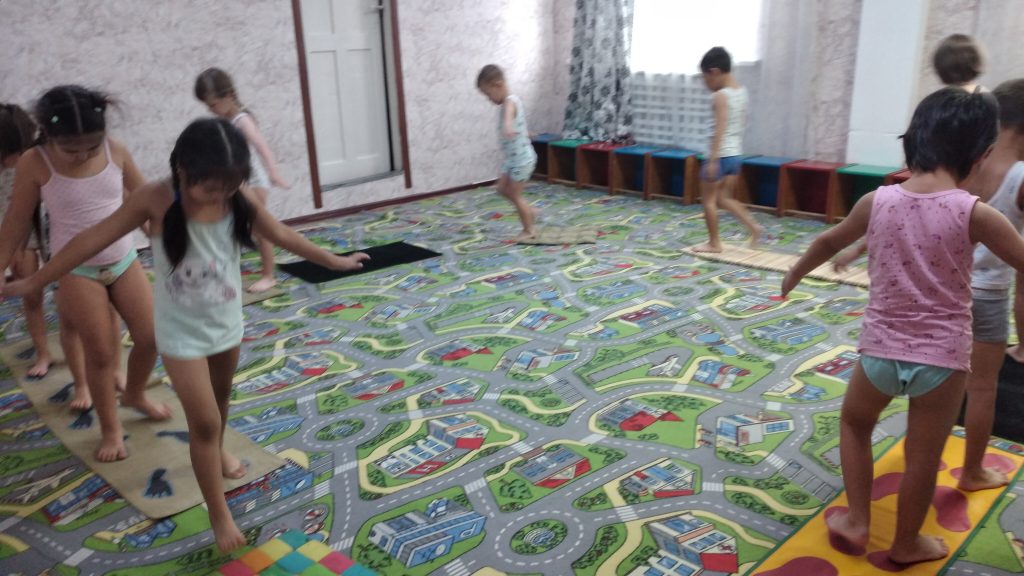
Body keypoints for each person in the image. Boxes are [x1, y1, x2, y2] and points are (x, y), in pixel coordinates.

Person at [6, 118, 369, 552]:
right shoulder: (155, 198)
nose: (220, 196)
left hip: (226, 324)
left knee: (220, 402)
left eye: (229, 187)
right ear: (183, 171)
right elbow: (90, 240)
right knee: (204, 421)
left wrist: (333, 260)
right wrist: (37, 279)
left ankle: (216, 451)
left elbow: (280, 233)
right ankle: (219, 512)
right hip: (181, 336)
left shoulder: (235, 197)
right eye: (211, 188)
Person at [782, 88, 1024, 565]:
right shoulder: (975, 212)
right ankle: (907, 543)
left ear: (911, 140)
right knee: (922, 455)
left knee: (855, 425)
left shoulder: (877, 201)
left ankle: (857, 520)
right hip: (942, 360)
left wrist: (795, 273)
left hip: (879, 352)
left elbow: (830, 241)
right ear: (982, 156)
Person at [0, 86, 168, 460]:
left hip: (123, 259)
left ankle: (135, 393)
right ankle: (111, 430)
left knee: (151, 336)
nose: (82, 156)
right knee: (101, 353)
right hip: (76, 269)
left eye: (91, 148)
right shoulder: (35, 161)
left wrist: (166, 243)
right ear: (48, 134)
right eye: (71, 150)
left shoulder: (116, 150)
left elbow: (146, 202)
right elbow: (16, 220)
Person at [959, 79, 1024, 491]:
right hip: (989, 297)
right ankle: (972, 472)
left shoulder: (964, 161)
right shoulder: (1019, 175)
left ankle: (921, 449)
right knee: (982, 388)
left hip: (946, 292)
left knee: (942, 380)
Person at [194, 67, 290, 293]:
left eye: (213, 104)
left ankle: (269, 276)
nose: (210, 109)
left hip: (254, 182)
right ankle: (224, 271)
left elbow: (261, 146)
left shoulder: (241, 120)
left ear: (228, 96)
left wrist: (274, 172)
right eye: (207, 106)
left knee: (260, 229)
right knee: (229, 226)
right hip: (237, 183)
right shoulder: (225, 120)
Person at [693, 47, 762, 253]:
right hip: (734, 155)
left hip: (720, 156)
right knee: (724, 198)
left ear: (714, 72)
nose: (706, 84)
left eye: (705, 78)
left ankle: (714, 243)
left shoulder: (720, 96)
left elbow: (720, 128)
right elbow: (742, 122)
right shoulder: (741, 92)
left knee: (709, 201)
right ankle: (754, 227)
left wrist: (713, 160)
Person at [0, 103, 51, 377]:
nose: (16, 158)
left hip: (35, 228)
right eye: (11, 154)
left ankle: (47, 351)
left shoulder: (33, 158)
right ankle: (43, 352)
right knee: (29, 294)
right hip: (8, 231)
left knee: (35, 292)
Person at [476, 64, 538, 242]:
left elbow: (510, 116)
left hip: (522, 160)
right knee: (502, 189)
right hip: (512, 159)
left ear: (498, 85)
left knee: (515, 195)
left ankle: (529, 230)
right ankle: (528, 211)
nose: (489, 99)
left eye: (489, 94)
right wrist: (524, 132)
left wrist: (508, 125)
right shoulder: (506, 103)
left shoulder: (510, 101)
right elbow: (518, 123)